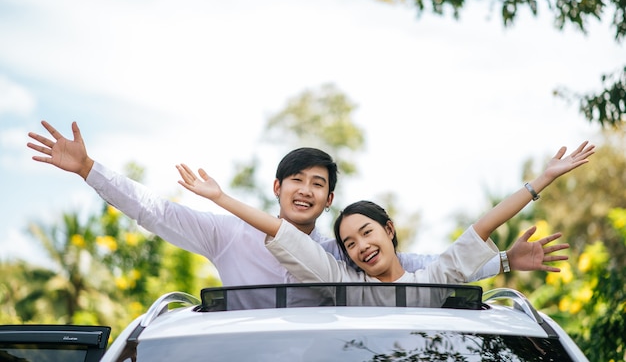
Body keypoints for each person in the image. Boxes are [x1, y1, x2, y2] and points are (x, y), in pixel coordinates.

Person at [28, 121, 569, 303]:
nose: (306, 191)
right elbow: (153, 211)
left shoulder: (343, 257)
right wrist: (89, 169)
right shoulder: (225, 234)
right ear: (278, 187)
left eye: (319, 184)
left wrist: (502, 262)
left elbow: (427, 271)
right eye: (297, 181)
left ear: (330, 198)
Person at [175, 141, 594, 306]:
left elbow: (482, 227)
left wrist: (543, 179)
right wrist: (222, 198)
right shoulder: (341, 283)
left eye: (367, 232)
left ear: (389, 230)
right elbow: (279, 230)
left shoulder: (431, 279)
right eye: (350, 243)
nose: (361, 246)